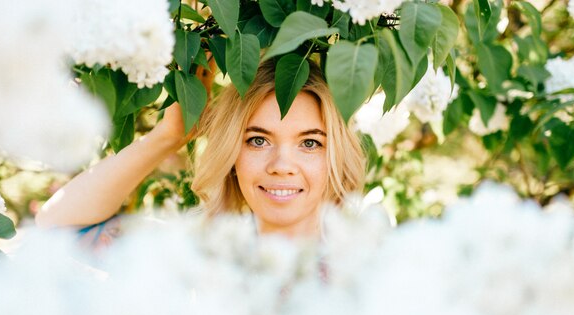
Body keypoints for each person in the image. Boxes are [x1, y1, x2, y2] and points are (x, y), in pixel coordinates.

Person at [35, 59, 366, 240]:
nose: (282, 165)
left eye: (310, 143)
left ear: (335, 157)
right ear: (232, 156)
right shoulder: (199, 257)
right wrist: (168, 137)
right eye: (257, 140)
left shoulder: (370, 274)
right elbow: (59, 227)